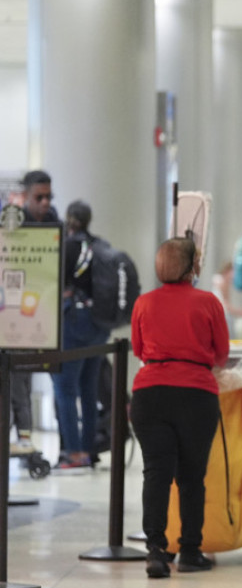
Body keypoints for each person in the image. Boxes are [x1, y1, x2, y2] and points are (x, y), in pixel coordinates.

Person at [130, 237, 229, 579]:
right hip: (195, 395)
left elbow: (140, 349)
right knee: (191, 477)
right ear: (192, 267)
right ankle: (189, 550)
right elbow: (221, 354)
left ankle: (156, 552)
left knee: (155, 473)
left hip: (149, 394)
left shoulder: (144, 302)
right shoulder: (208, 302)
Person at [51, 201, 110, 468]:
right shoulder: (101, 246)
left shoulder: (67, 247)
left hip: (73, 321)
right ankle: (88, 449)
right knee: (89, 388)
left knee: (65, 388)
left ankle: (73, 452)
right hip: (99, 324)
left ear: (69, 220)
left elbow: (56, 282)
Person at [5, 171, 60, 455]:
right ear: (26, 196)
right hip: (11, 315)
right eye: (39, 197)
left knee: (23, 384)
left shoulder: (54, 225)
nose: (45, 202)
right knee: (9, 383)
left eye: (49, 196)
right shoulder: (12, 223)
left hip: (42, 318)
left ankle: (25, 439)